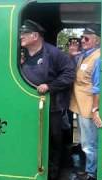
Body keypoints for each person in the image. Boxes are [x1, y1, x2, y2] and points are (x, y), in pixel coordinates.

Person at [20, 19, 75, 180]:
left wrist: (50, 86)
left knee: (52, 142)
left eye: (24, 34)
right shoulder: (21, 54)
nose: (20, 37)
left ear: (35, 36)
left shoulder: (53, 53)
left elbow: (69, 74)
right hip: (28, 106)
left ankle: (52, 174)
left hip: (51, 107)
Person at [69, 24, 102, 180]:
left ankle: (91, 173)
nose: (83, 40)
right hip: (79, 105)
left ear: (97, 40)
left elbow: (97, 87)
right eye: (82, 37)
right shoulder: (84, 55)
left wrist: (95, 109)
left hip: (88, 107)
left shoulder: (97, 58)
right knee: (84, 141)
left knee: (89, 144)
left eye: (86, 37)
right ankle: (88, 168)